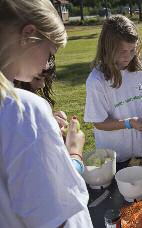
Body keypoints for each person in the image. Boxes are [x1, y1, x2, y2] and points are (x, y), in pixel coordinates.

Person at [0, 0, 93, 227]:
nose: (47, 64)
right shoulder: (24, 110)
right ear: (29, 35)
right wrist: (73, 153)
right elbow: (53, 217)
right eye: (49, 52)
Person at [84, 15, 142, 162]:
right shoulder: (96, 80)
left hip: (141, 151)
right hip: (114, 157)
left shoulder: (139, 69)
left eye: (132, 50)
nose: (128, 56)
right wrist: (130, 123)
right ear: (108, 48)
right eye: (122, 51)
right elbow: (99, 122)